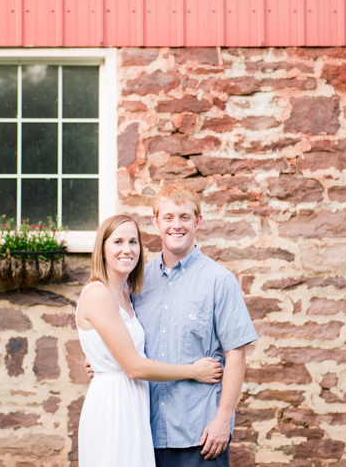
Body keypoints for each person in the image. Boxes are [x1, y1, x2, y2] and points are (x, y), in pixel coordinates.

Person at [76, 214, 224, 467]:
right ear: (102, 249)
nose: (127, 249)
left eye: (133, 242)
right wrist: (193, 371)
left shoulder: (126, 294)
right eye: (118, 242)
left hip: (134, 405)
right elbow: (134, 367)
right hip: (114, 406)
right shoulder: (98, 293)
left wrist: (99, 359)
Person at [135, 184, 258, 466]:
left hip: (199, 435)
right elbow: (122, 338)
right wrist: (100, 362)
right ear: (155, 222)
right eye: (168, 217)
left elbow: (236, 355)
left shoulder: (219, 280)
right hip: (144, 432)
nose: (176, 225)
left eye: (184, 217)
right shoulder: (139, 282)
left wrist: (223, 420)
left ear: (197, 221)